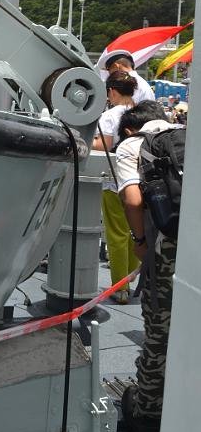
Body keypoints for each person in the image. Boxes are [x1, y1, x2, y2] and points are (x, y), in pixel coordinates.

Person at [114, 101, 181, 432]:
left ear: (129, 127)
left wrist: (140, 241)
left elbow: (133, 200)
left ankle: (148, 414)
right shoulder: (185, 136)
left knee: (160, 329)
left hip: (167, 249)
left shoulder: (132, 144)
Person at [93, 71, 139, 303]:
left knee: (117, 234)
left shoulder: (111, 115)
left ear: (111, 91)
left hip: (114, 180)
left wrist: (88, 139)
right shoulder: (141, 112)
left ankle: (119, 287)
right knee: (135, 233)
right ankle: (130, 279)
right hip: (140, 180)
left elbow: (105, 144)